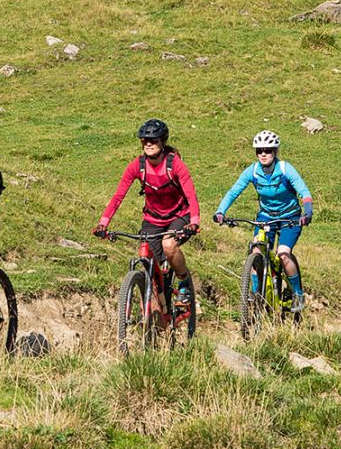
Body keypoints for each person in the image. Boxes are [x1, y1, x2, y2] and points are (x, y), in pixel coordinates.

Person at [94, 119, 201, 312]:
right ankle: (160, 308)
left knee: (169, 245)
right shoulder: (138, 166)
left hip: (179, 216)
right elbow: (118, 196)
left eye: (154, 140)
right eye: (145, 141)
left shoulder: (174, 164)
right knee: (148, 261)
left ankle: (184, 283)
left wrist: (194, 221)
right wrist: (103, 223)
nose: (149, 144)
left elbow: (191, 195)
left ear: (163, 141)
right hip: (153, 219)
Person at [213, 130, 314, 311]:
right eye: (259, 151)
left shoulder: (285, 169)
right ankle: (253, 294)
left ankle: (298, 295)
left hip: (290, 217)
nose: (263, 154)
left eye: (267, 150)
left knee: (283, 253)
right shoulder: (252, 171)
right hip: (266, 217)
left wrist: (307, 212)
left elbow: (304, 192)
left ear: (275, 151)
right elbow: (233, 192)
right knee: (256, 249)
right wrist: (221, 211)